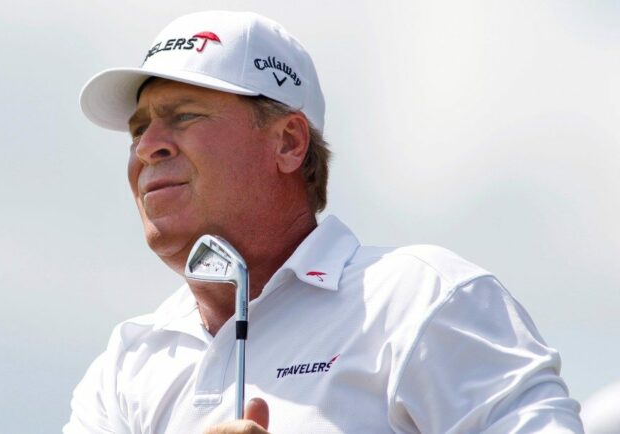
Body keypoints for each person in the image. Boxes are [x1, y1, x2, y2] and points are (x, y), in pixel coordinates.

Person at [65, 10, 584, 434]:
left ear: (289, 142)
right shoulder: (128, 362)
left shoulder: (421, 299)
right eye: (138, 129)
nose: (147, 147)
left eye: (184, 116)